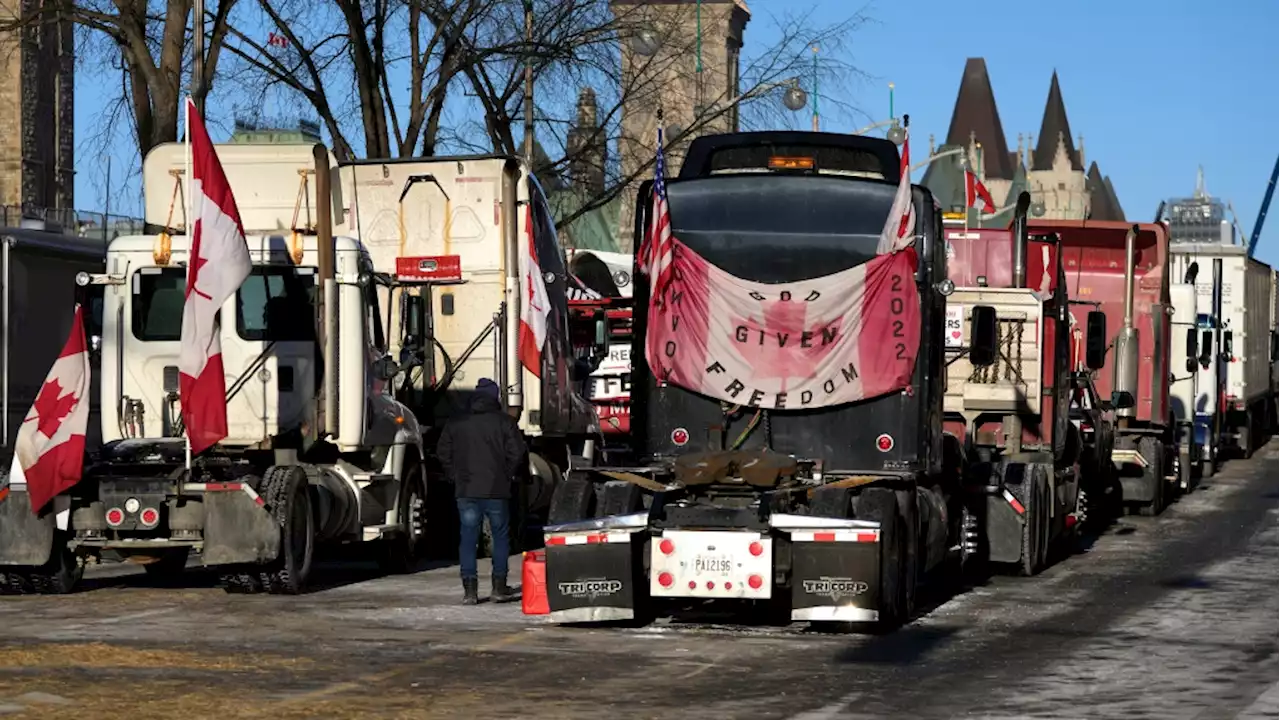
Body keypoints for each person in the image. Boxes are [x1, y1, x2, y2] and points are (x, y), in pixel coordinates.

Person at [437, 378, 526, 605]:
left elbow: (443, 451)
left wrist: (453, 475)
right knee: (500, 538)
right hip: (497, 490)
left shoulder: (456, 423)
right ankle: (498, 587)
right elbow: (517, 453)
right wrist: (507, 474)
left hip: (466, 489)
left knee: (468, 539)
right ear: (495, 397)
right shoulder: (505, 423)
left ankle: (470, 591)